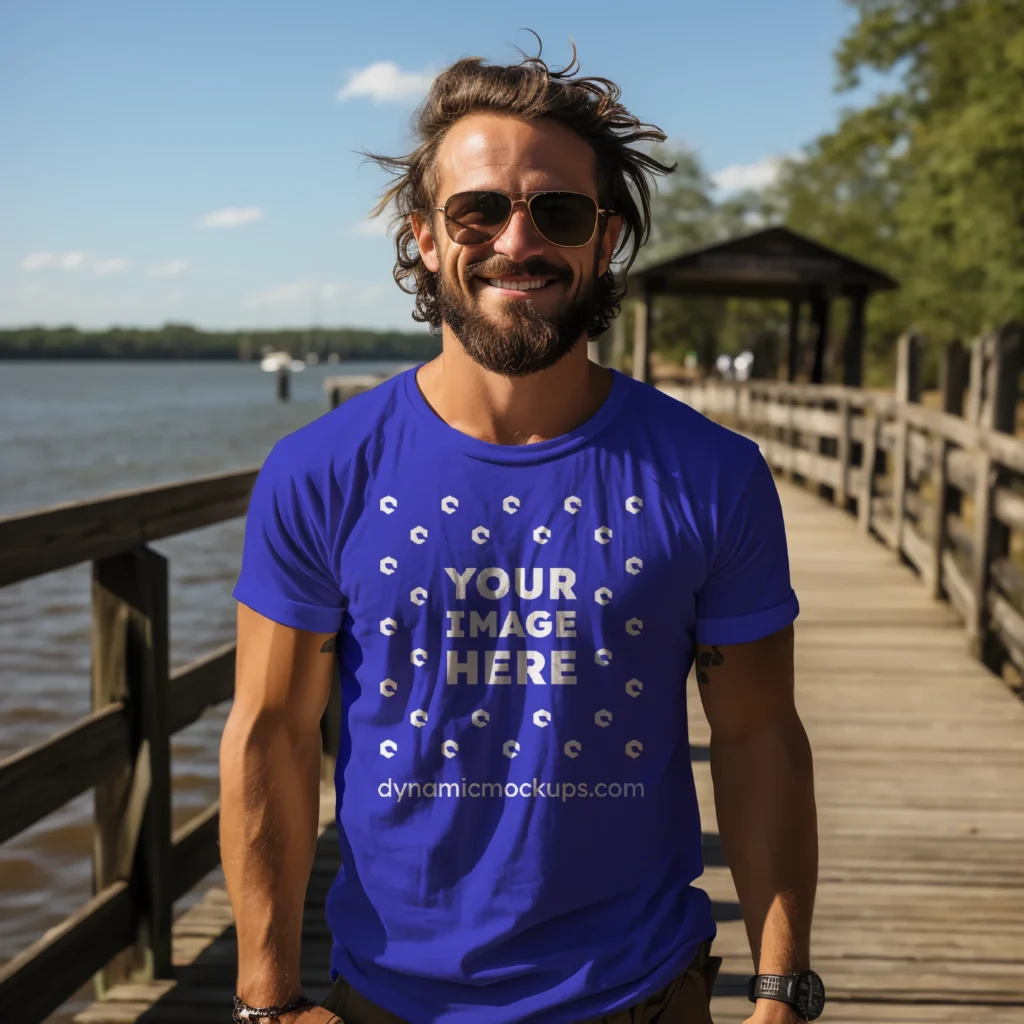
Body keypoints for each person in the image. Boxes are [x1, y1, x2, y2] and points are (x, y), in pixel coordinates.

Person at [222, 38, 820, 1024]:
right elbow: (270, 736)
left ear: (604, 236)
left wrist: (782, 989)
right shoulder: (320, 472)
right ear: (423, 234)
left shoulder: (713, 476)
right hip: (387, 998)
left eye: (558, 210)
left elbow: (757, 735)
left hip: (636, 992)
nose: (517, 239)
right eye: (478, 209)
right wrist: (264, 999)